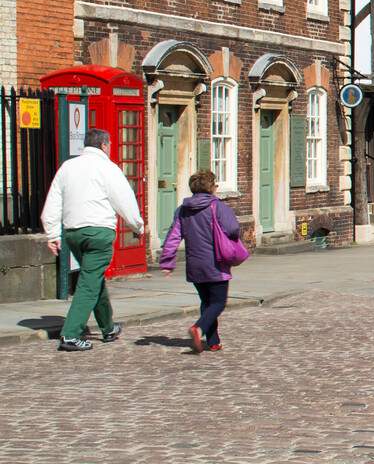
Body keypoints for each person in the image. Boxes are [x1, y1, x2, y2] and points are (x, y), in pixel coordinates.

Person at [40, 127, 144, 352]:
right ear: (104, 145)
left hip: (73, 233)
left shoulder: (67, 167)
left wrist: (52, 234)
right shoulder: (108, 168)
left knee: (92, 277)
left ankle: (108, 328)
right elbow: (124, 200)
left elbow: (54, 201)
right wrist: (137, 226)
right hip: (99, 233)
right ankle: (70, 334)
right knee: (89, 282)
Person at [157, 169, 244, 352]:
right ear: (212, 187)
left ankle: (213, 342)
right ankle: (199, 328)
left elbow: (173, 236)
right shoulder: (218, 207)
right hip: (215, 262)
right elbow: (233, 229)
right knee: (218, 302)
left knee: (206, 301)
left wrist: (167, 261)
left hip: (194, 264)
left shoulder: (182, 210)